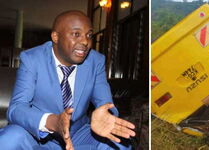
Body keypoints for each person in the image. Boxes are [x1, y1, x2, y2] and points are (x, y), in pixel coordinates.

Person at [0, 10, 135, 150]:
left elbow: (105, 104)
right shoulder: (32, 59)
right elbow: (16, 108)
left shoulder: (95, 61)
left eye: (89, 35)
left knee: (120, 144)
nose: (85, 41)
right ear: (55, 37)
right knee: (9, 139)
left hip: (78, 135)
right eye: (76, 34)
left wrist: (106, 115)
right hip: (38, 137)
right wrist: (53, 121)